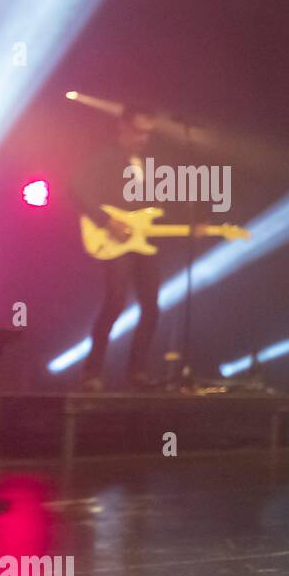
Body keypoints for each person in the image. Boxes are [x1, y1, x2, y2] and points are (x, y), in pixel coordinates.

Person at [72, 106, 163, 392]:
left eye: (148, 133)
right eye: (138, 131)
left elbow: (157, 204)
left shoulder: (152, 161)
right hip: (114, 238)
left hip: (143, 240)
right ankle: (92, 371)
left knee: (151, 307)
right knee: (116, 301)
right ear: (122, 126)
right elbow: (78, 189)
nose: (143, 139)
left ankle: (137, 372)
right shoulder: (104, 156)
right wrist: (107, 220)